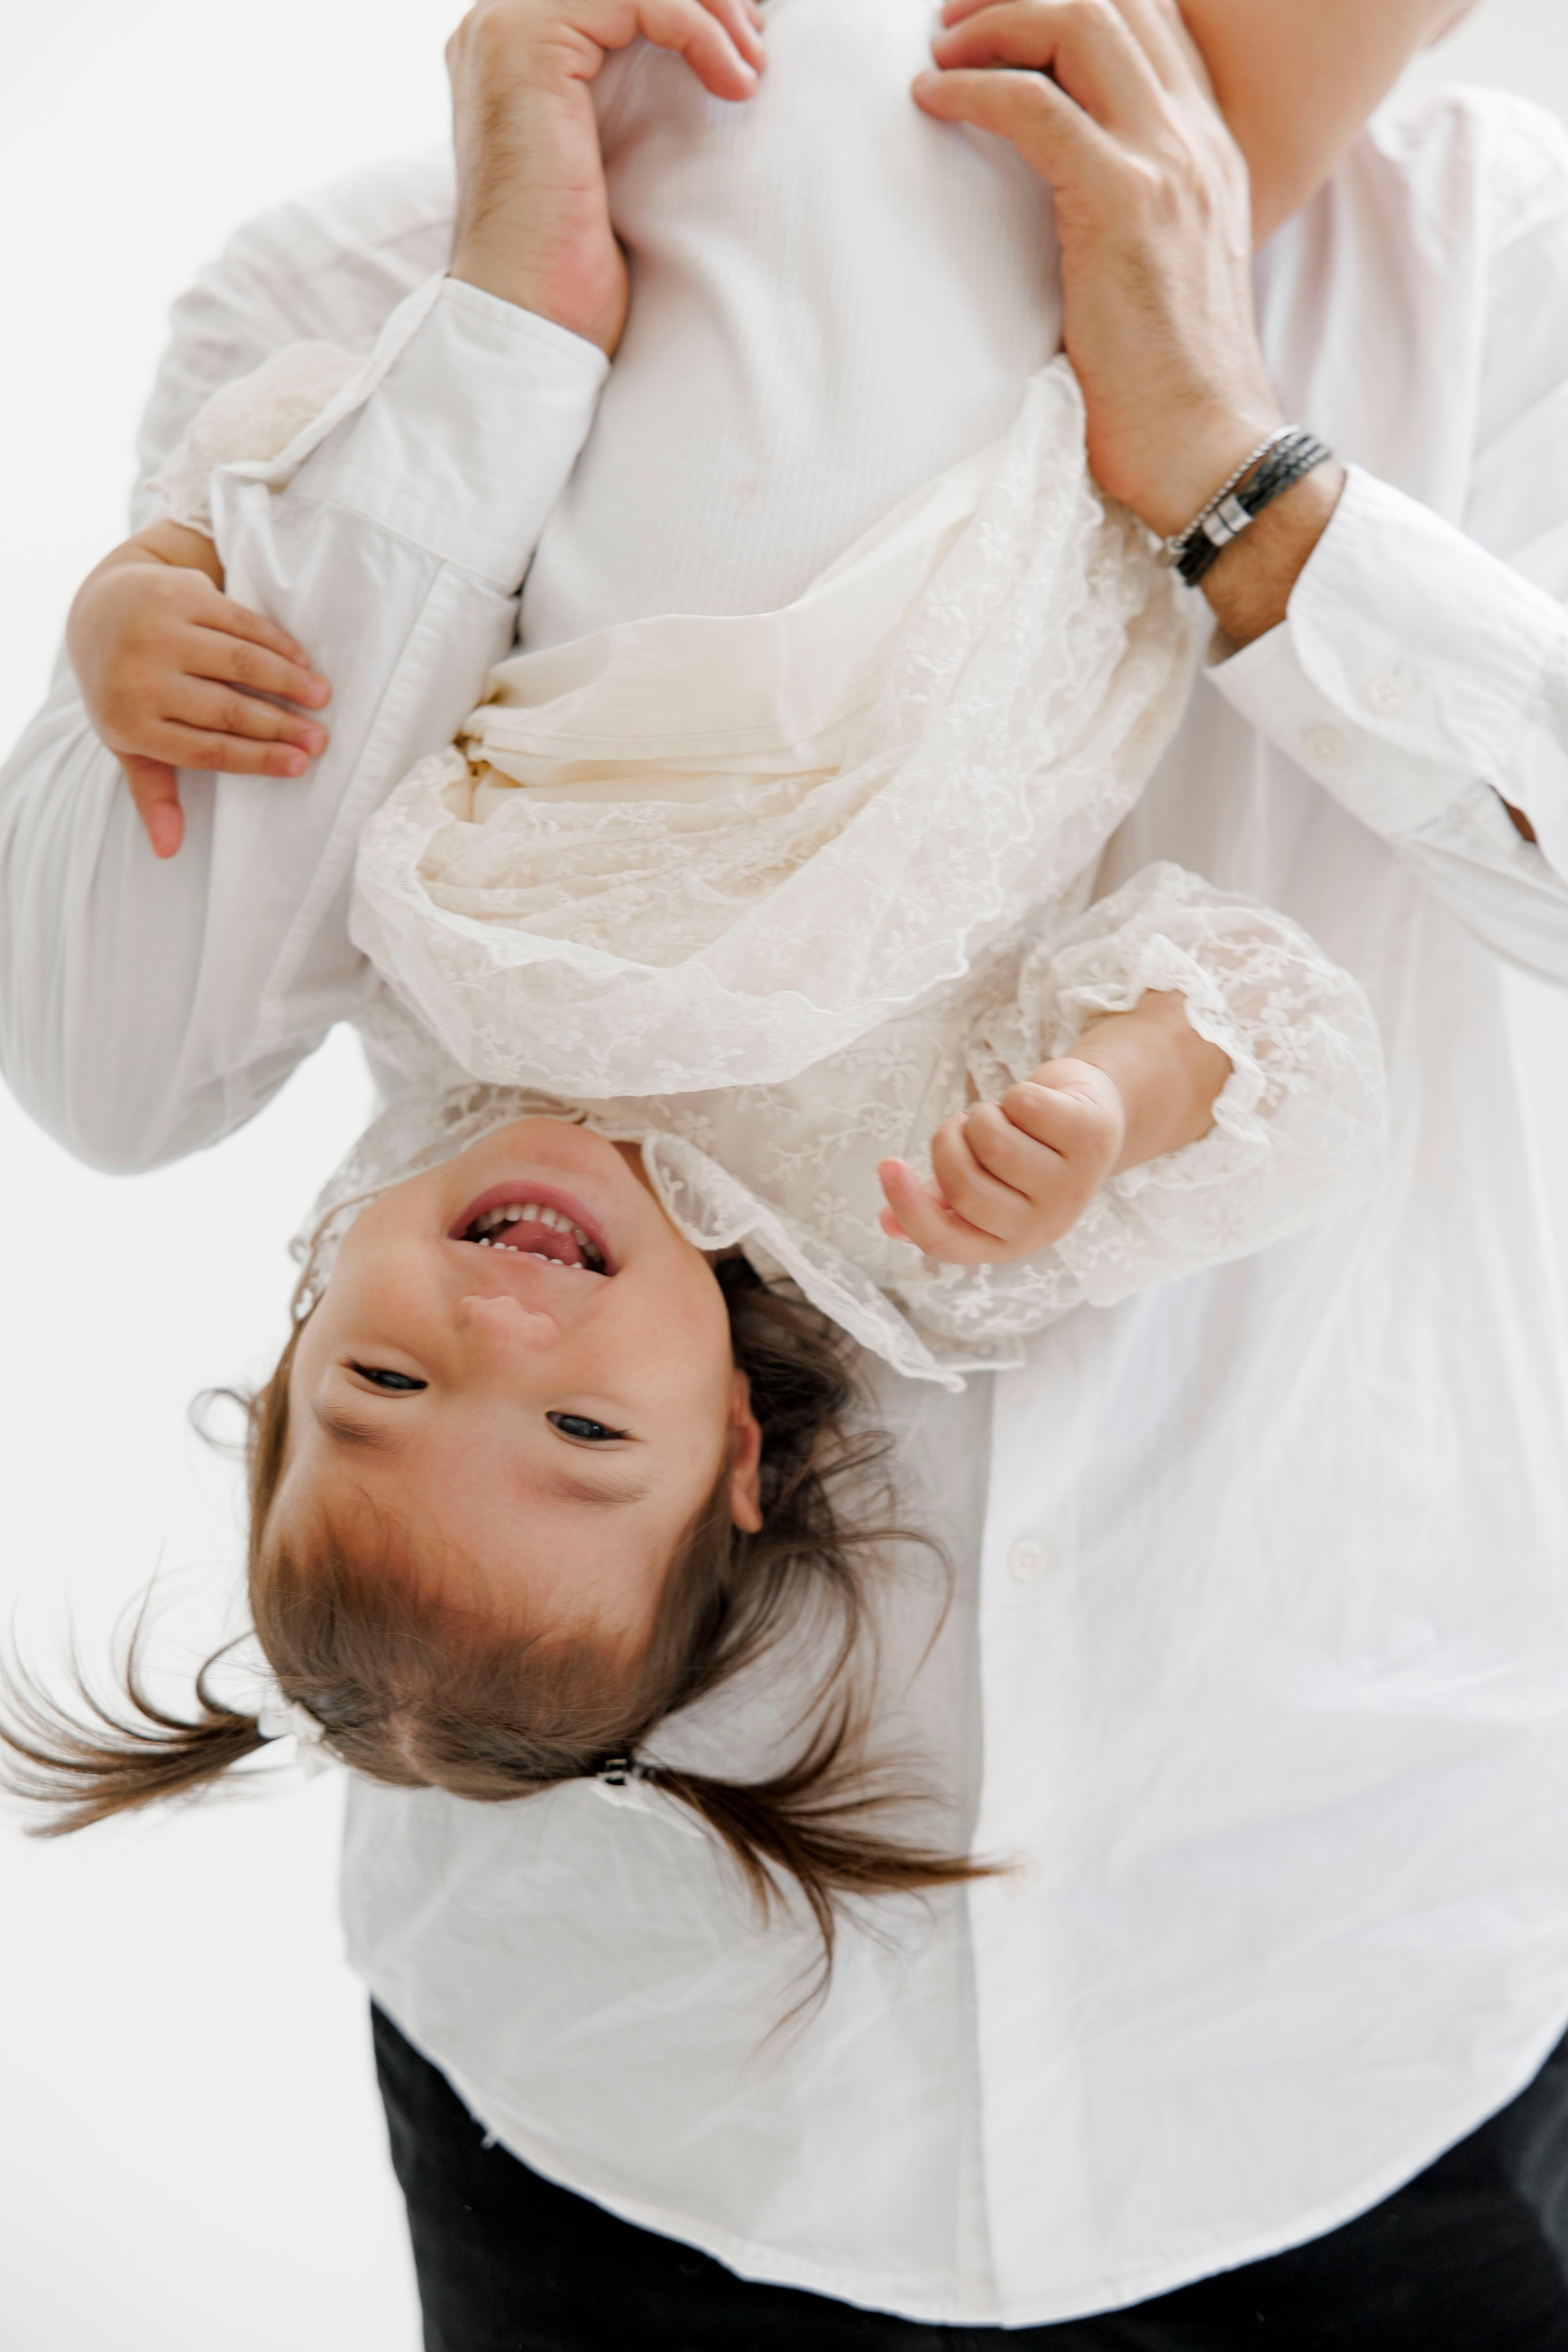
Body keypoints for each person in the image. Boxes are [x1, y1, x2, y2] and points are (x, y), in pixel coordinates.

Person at [7, 0, 1568, 2341]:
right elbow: (113, 1049)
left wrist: (1253, 490)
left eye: (390, 1383)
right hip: (632, 2091)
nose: (495, 1344)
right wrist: (494, 352)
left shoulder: (1486, 249)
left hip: (1344, 2014)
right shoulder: (372, 297)